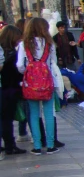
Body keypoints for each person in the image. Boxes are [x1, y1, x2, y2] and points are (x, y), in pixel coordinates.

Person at [16, 18, 63, 155]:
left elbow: (19, 65)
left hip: (30, 84)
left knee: (34, 113)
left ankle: (37, 145)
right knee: (49, 113)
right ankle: (50, 145)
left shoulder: (24, 45)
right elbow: (53, 63)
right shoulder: (49, 44)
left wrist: (28, 71)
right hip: (47, 82)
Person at [0, 25, 27, 156]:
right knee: (7, 119)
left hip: (4, 88)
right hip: (9, 90)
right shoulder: (11, 54)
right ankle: (10, 145)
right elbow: (14, 72)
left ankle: (6, 145)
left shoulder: (3, 51)